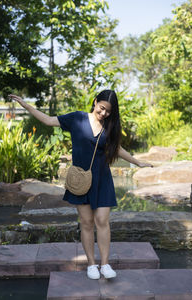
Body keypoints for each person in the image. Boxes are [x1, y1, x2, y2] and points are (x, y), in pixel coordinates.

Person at [9, 90, 153, 280]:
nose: (103, 114)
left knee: (102, 220)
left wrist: (137, 162)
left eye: (108, 112)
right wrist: (26, 106)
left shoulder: (109, 127)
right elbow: (49, 120)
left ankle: (105, 264)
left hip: (102, 179)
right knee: (86, 223)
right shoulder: (77, 119)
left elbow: (116, 149)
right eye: (102, 108)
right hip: (81, 180)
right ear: (95, 102)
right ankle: (91, 264)